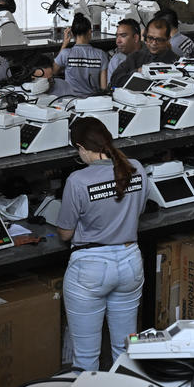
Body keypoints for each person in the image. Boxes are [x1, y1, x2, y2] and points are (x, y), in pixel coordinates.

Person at [56, 117, 148, 371]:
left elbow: (65, 233)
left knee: (86, 359)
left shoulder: (77, 180)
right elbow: (137, 211)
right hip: (130, 262)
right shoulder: (136, 169)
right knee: (125, 352)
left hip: (90, 268)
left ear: (81, 147)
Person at [109, 17, 178, 87]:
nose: (154, 43)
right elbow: (115, 79)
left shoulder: (175, 62)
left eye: (159, 39)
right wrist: (137, 72)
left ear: (168, 39)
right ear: (145, 36)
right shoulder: (135, 57)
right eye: (150, 38)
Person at [53, 13, 108, 97]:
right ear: (90, 32)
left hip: (71, 101)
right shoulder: (101, 55)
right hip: (93, 101)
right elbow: (104, 88)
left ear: (72, 33)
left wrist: (64, 44)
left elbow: (54, 72)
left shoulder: (65, 53)